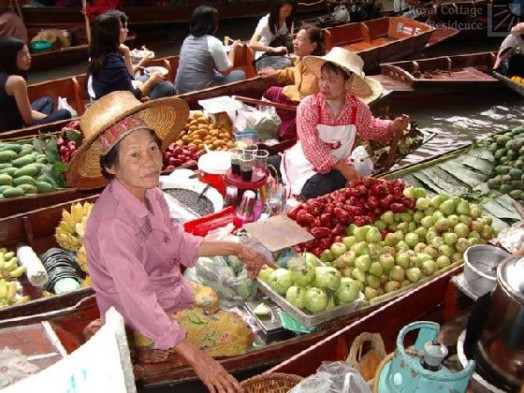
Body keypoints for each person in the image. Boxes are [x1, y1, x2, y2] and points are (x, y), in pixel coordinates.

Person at [66, 91, 275, 393]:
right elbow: (139, 302)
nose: (150, 161)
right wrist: (199, 360)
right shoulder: (113, 225)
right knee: (240, 333)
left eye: (153, 148)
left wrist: (238, 248)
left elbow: (177, 241)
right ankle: (142, 352)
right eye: (134, 155)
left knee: (212, 298)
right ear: (111, 167)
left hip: (166, 290)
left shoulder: (151, 192)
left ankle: (162, 344)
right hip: (136, 317)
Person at [280, 47, 410, 200]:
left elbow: (370, 127)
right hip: (306, 162)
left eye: (332, 80)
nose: (324, 85)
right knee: (319, 188)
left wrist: (391, 126)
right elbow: (311, 144)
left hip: (338, 166)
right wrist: (342, 167)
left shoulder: (357, 108)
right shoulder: (308, 106)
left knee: (333, 181)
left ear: (347, 83)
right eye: (322, 78)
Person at [87, 10, 175, 101]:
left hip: (114, 99)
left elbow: (130, 78)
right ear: (112, 33)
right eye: (122, 27)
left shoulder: (98, 52)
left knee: (152, 79)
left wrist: (127, 51)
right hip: (119, 108)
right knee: (167, 87)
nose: (127, 30)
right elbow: (134, 95)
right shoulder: (112, 62)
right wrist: (151, 81)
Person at [259, 25, 325, 141]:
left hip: (309, 109)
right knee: (270, 92)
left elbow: (316, 99)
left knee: (285, 134)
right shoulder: (302, 59)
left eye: (300, 40)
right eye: (295, 38)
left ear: (313, 46)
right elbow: (294, 72)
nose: (295, 42)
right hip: (297, 98)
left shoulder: (320, 68)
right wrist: (276, 74)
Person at [0, 35, 71, 132]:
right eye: (22, 55)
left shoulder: (5, 74)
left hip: (13, 120)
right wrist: (52, 118)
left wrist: (49, 118)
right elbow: (28, 119)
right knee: (65, 114)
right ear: (10, 58)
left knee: (47, 101)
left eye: (28, 52)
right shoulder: (17, 81)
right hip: (16, 131)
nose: (28, 58)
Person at [175, 6, 245, 94]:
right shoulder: (213, 42)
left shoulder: (187, 40)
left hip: (181, 90)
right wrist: (233, 48)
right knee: (240, 74)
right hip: (201, 91)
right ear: (212, 25)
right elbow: (226, 71)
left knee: (215, 74)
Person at [249, 0, 295, 71]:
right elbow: (252, 44)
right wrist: (273, 49)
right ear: (277, 9)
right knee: (286, 63)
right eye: (285, 11)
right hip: (263, 58)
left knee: (297, 63)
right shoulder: (266, 22)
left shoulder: (289, 21)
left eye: (290, 11)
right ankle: (262, 75)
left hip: (281, 56)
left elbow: (290, 40)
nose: (287, 14)